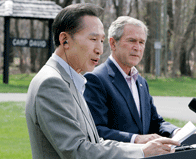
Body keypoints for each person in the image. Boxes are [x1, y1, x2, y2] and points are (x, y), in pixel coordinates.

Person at [25, 4, 179, 159]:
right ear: (65, 40)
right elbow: (77, 150)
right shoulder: (52, 83)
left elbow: (95, 142)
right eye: (93, 39)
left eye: (101, 40)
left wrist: (143, 147)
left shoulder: (71, 80)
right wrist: (141, 151)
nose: (99, 49)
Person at [84, 16, 180, 144]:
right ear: (113, 43)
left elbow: (155, 121)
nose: (137, 47)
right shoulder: (95, 79)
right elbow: (95, 131)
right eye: (132, 41)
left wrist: (176, 131)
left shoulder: (141, 82)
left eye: (141, 42)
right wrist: (135, 139)